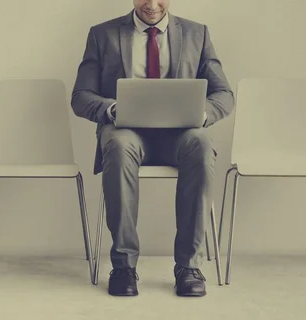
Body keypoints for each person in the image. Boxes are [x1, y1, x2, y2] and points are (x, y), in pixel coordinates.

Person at [71, 0, 235, 297]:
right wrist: (111, 109)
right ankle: (124, 266)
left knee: (201, 141)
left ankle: (188, 267)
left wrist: (204, 113)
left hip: (180, 136)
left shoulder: (197, 33)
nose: (152, 4)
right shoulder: (102, 34)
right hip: (128, 133)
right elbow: (81, 96)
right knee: (119, 145)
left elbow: (224, 93)